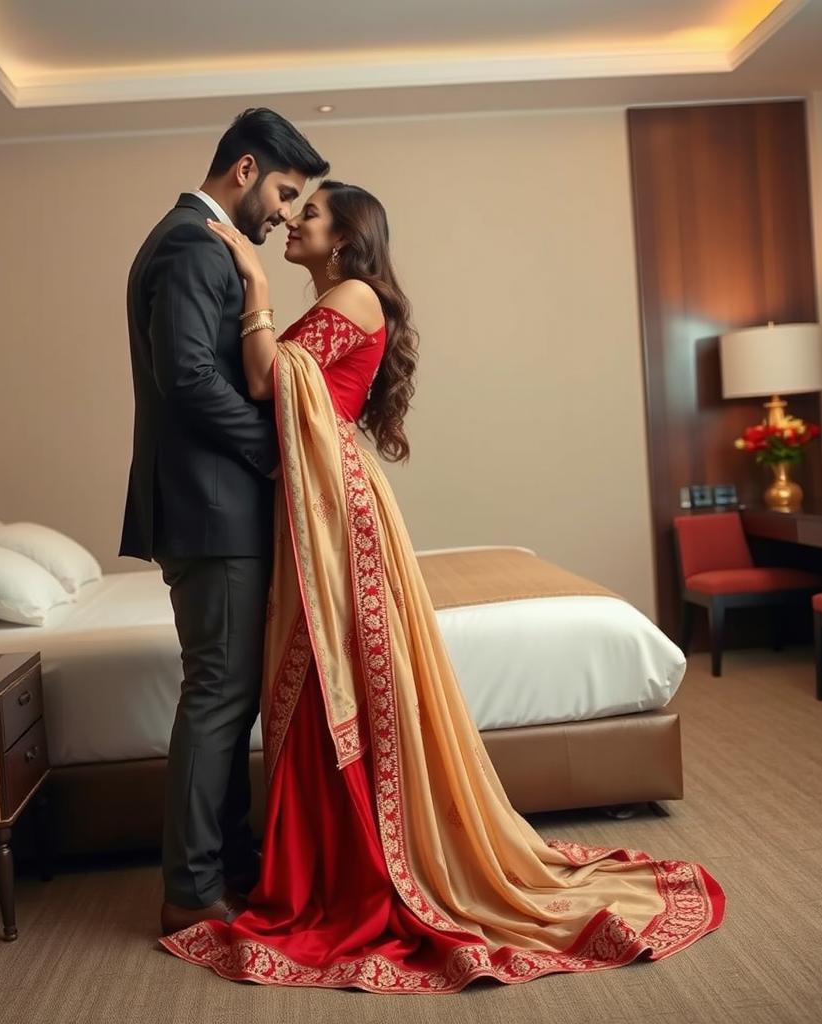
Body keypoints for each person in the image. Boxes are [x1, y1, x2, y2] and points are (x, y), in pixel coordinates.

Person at [159, 181, 726, 993]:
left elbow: (261, 381)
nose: (292, 221)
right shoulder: (346, 295)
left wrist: (251, 286)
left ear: (349, 239)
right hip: (324, 501)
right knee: (330, 681)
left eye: (309, 213)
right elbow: (278, 380)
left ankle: (361, 860)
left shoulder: (353, 292)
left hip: (337, 508)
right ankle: (331, 858)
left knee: (348, 674)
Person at [119, 109, 329, 936]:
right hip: (213, 512)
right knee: (217, 697)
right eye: (282, 192)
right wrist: (282, 452)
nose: (282, 213)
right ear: (244, 170)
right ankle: (191, 889)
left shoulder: (197, 244)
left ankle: (228, 864)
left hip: (213, 508)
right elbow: (192, 382)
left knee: (228, 696)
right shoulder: (191, 244)